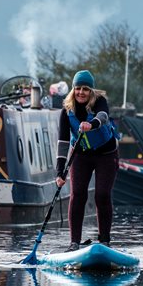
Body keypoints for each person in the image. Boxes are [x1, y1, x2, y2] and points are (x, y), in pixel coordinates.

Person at [56, 70, 119, 252]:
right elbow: (63, 142)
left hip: (106, 154)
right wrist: (60, 172)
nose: (81, 92)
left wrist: (91, 125)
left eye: (85, 89)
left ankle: (105, 241)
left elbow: (103, 116)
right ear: (73, 89)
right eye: (78, 88)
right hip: (81, 155)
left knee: (101, 195)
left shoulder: (99, 101)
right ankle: (74, 242)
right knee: (78, 195)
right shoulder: (67, 111)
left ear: (91, 90)